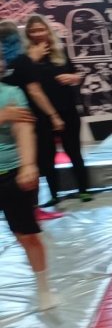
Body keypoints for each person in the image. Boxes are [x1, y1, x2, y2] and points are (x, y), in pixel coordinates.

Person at [6, 16, 91, 207]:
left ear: (48, 30)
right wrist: (32, 60)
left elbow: (76, 74)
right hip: (40, 114)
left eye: (41, 29)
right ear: (27, 34)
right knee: (46, 156)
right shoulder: (24, 58)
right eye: (33, 31)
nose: (38, 34)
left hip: (67, 109)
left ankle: (84, 189)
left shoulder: (59, 52)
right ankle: (53, 193)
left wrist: (73, 78)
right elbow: (17, 81)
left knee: (74, 150)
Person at [0, 81, 56, 310]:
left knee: (26, 236)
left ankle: (43, 289)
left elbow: (23, 129)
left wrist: (28, 164)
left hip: (10, 173)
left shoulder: (10, 93)